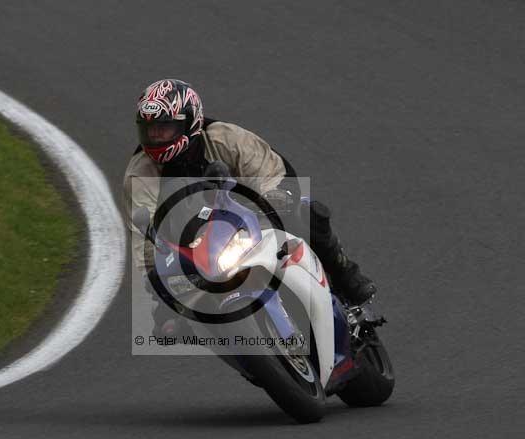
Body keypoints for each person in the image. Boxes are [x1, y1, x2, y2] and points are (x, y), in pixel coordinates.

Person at [123, 78, 376, 325]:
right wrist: (155, 280)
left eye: (164, 128)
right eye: (149, 130)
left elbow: (269, 171)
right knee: (175, 319)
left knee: (306, 215)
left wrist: (275, 197)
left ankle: (346, 275)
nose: (155, 138)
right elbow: (143, 236)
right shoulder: (140, 174)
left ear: (189, 123)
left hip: (253, 214)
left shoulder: (224, 138)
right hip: (196, 245)